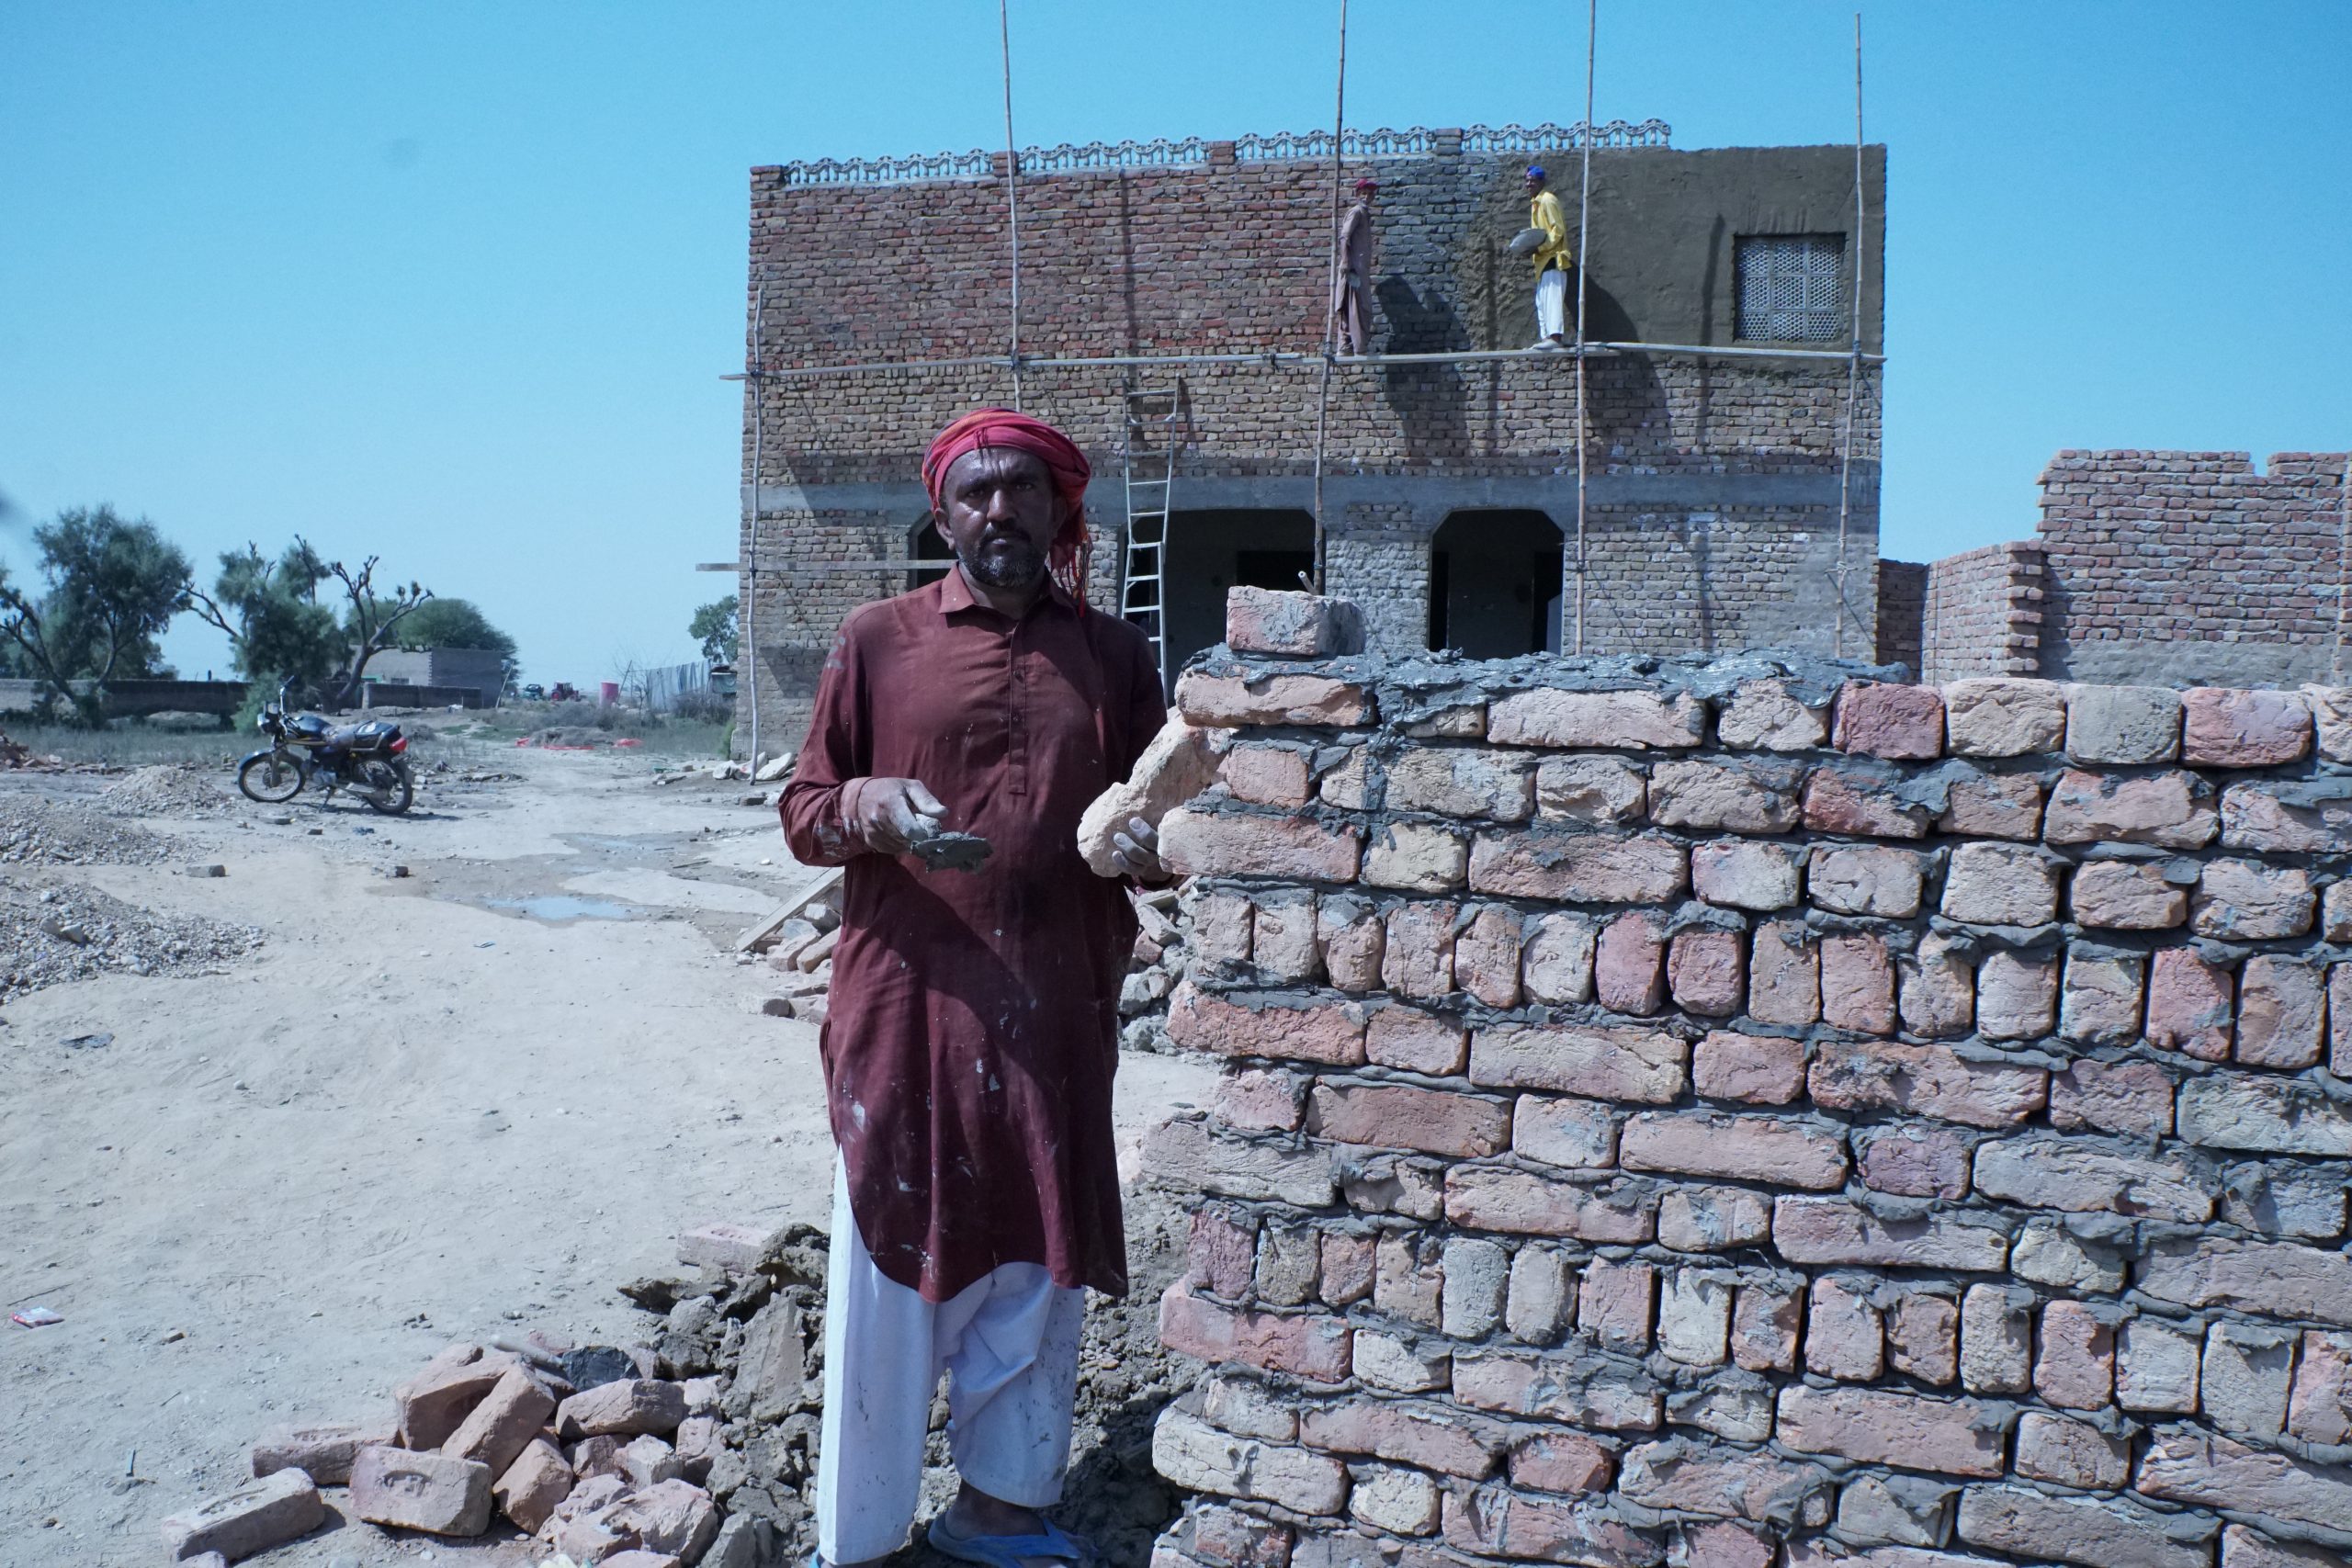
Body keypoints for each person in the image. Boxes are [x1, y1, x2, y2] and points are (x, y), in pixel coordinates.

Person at [778, 409, 1170, 1568]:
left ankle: (1001, 1510)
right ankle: (859, 1540)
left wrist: (1154, 841)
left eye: (1022, 491)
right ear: (942, 514)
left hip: (1058, 1014)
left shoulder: (1114, 658)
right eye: (975, 494)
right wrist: (871, 808)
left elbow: (1167, 813)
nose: (999, 511)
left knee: (1032, 1270)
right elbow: (805, 811)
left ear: (1060, 510)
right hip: (910, 1013)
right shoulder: (876, 641)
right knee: (890, 1277)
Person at [1525, 164, 1574, 347]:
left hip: (1553, 257)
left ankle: (1555, 337)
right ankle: (1547, 337)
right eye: (1527, 181)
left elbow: (1558, 230)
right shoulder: (1536, 204)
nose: (1529, 184)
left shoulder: (1548, 200)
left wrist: (1541, 248)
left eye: (1533, 181)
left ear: (1541, 182)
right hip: (1543, 260)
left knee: (1552, 297)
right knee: (1542, 299)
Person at [1331, 176, 1378, 355]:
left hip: (1360, 268)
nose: (1366, 197)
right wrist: (1345, 261)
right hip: (1353, 269)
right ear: (1358, 195)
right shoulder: (1356, 212)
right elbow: (1344, 237)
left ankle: (1355, 344)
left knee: (1361, 305)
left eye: (1369, 194)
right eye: (1363, 194)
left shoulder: (1365, 214)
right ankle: (1351, 345)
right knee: (1353, 305)